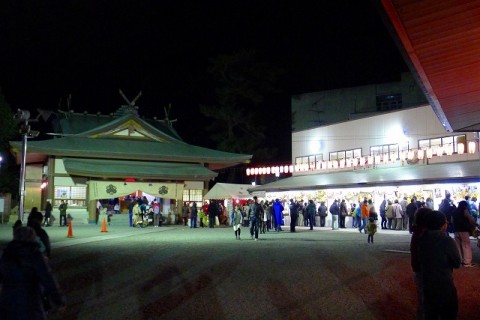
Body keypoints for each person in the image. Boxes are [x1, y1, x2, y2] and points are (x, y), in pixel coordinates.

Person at [0, 226, 66, 319]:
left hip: (8, 302)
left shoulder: (6, 254)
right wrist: (59, 301)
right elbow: (47, 279)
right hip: (30, 302)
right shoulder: (35, 254)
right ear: (32, 237)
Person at [418, 211, 461, 319]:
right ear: (442, 225)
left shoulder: (422, 239)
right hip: (444, 283)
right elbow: (457, 262)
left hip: (427, 283)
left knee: (430, 313)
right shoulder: (447, 240)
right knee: (449, 312)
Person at [409, 207, 433, 320]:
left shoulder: (417, 231)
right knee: (427, 300)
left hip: (418, 269)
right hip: (425, 270)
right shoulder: (424, 234)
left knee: (423, 299)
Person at [452, 200, 478, 267]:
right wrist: (476, 224)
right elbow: (471, 219)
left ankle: (460, 261)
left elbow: (452, 220)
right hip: (464, 231)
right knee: (466, 246)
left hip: (456, 231)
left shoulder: (454, 211)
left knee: (458, 246)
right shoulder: (464, 211)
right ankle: (467, 262)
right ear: (465, 206)